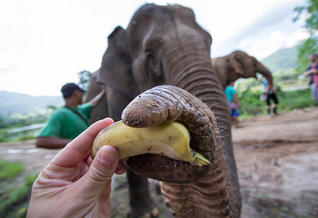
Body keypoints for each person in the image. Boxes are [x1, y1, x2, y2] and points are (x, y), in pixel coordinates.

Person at [27, 118, 126, 217]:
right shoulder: (61, 114)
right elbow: (41, 141)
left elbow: (91, 105)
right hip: (85, 156)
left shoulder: (81, 109)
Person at [36, 82, 106, 149]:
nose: (83, 95)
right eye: (82, 93)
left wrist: (103, 91)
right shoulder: (59, 114)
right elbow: (41, 141)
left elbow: (92, 103)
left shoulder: (80, 110)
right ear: (76, 93)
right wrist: (76, 142)